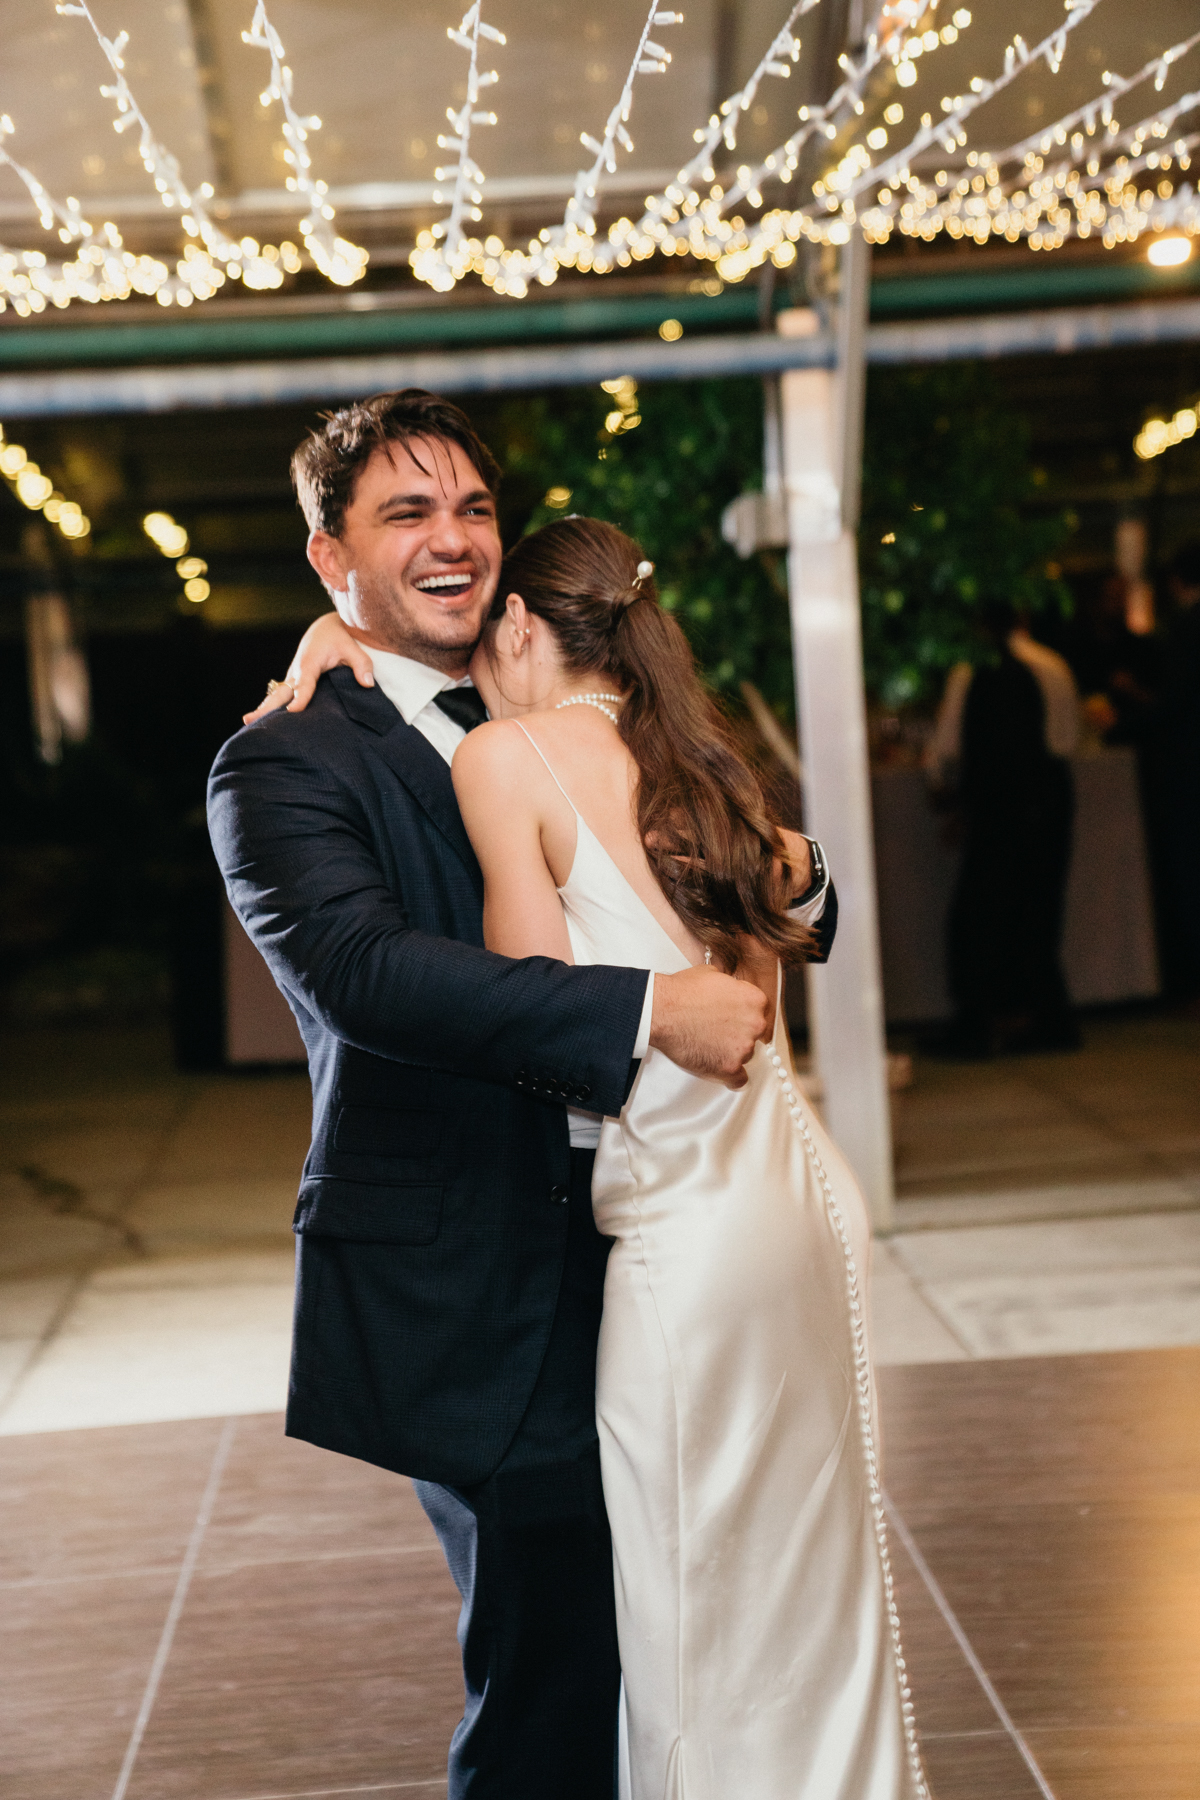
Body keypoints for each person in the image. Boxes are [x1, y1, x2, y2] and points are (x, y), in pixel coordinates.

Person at [208, 389, 836, 1800]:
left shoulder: (558, 697)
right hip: (478, 1275)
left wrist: (799, 878)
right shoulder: (283, 757)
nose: (453, 540)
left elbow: (736, 875)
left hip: (664, 1240)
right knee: (556, 1662)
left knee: (672, 1627)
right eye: (406, 514)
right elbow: (368, 975)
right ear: (331, 557)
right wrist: (643, 1012)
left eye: (473, 509)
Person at [925, 603, 1081, 1055]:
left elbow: (948, 748)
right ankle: (1045, 1018)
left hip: (998, 801)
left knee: (979, 914)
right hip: (1048, 797)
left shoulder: (971, 670)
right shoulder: (1053, 666)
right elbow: (1067, 739)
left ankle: (977, 1022)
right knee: (1039, 910)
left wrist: (947, 794)